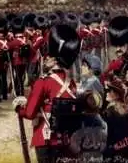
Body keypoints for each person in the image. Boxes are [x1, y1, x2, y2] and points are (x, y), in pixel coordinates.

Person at [13, 24, 80, 163]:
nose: (45, 58)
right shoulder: (71, 83)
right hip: (66, 139)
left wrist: (19, 109)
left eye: (47, 56)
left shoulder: (42, 82)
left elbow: (30, 113)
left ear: (54, 59)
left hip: (45, 138)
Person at [102, 77, 128, 160]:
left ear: (117, 95)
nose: (107, 93)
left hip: (111, 148)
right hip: (122, 147)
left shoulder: (110, 111)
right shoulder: (123, 108)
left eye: (110, 91)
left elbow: (106, 133)